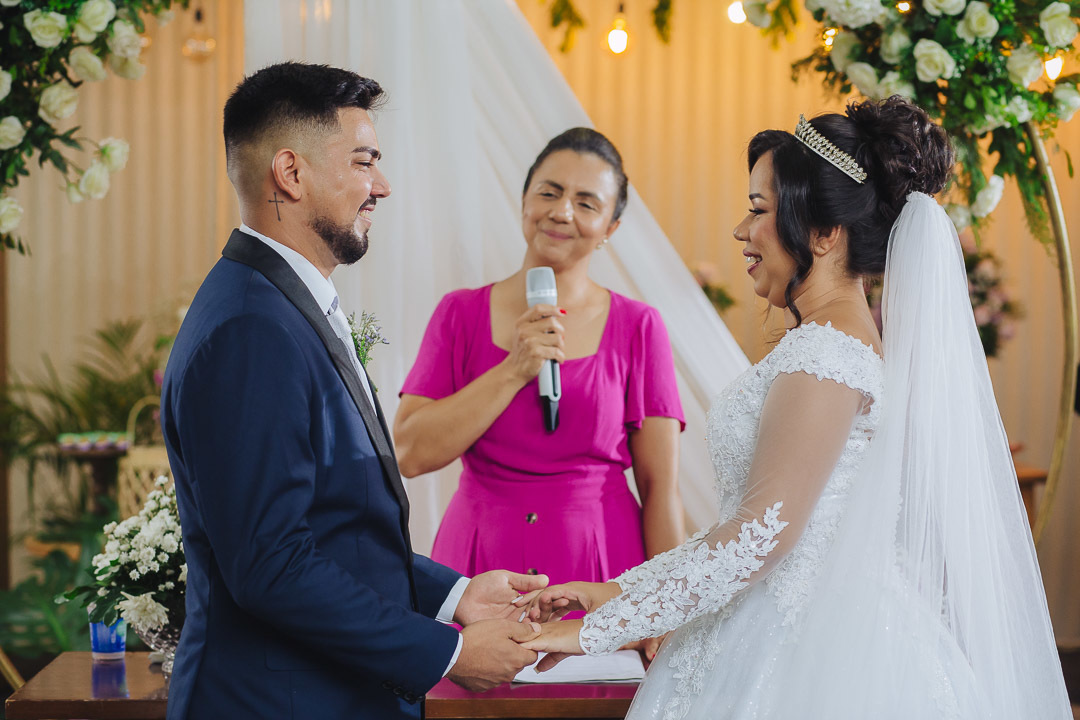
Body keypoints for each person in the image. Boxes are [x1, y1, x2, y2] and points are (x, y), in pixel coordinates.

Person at [519, 96, 1072, 719]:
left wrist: (600, 627)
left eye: (758, 210)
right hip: (787, 624)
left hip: (806, 652)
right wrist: (612, 592)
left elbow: (761, 536)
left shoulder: (825, 356)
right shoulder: (840, 346)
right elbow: (761, 523)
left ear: (825, 232)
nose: (740, 230)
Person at [160, 62, 548, 720]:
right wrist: (447, 653)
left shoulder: (278, 304)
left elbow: (331, 526)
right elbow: (271, 565)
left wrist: (454, 597)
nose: (383, 186)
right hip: (277, 702)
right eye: (365, 161)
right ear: (291, 173)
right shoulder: (252, 328)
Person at [393, 129, 687, 640]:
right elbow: (409, 452)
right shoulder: (458, 314)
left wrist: (663, 610)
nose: (562, 212)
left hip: (600, 562)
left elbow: (660, 487)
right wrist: (514, 369)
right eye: (549, 192)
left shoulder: (639, 326)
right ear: (525, 199)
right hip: (477, 559)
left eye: (586, 202)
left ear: (611, 227)